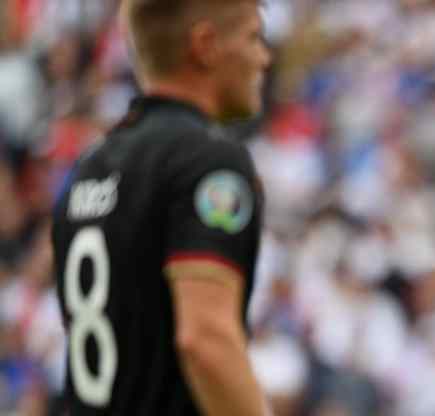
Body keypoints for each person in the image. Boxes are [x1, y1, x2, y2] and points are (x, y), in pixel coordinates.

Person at [50, 0, 272, 414]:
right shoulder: (208, 161)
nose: (264, 57)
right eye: (253, 38)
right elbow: (204, 340)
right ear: (205, 44)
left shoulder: (89, 168)